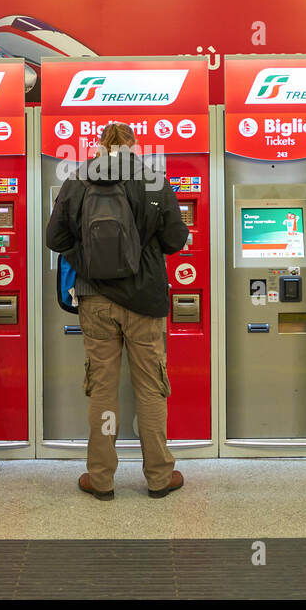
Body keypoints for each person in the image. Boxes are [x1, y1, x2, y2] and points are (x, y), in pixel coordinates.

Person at [45, 122, 188, 501]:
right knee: (151, 387)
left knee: (103, 390)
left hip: (96, 301)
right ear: (133, 146)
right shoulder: (154, 180)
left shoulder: (78, 179)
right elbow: (175, 240)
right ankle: (159, 475)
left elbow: (54, 239)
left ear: (100, 146)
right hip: (145, 300)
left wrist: (87, 261)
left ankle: (102, 478)